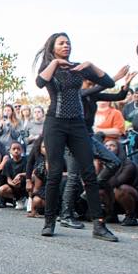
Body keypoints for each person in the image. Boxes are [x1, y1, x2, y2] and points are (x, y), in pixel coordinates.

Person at [34, 33, 118, 242]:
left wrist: (91, 65)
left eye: (68, 43)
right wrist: (54, 62)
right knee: (54, 173)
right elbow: (39, 82)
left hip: (78, 125)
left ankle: (99, 225)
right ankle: (49, 222)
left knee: (88, 172)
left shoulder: (79, 67)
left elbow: (108, 82)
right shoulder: (50, 67)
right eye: (61, 43)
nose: (66, 46)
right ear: (52, 47)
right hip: (55, 123)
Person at [58, 67, 134, 229]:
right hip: (72, 137)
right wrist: (113, 78)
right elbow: (94, 89)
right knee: (73, 176)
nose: (91, 82)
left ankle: (89, 191)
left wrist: (125, 85)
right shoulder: (75, 94)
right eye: (88, 80)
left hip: (88, 136)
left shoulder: (92, 95)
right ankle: (65, 215)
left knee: (114, 162)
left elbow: (119, 96)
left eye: (92, 80)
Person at [0, 141, 29, 209]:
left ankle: (26, 198)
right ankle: (17, 199)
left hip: (25, 185)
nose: (16, 151)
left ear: (22, 150)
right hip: (14, 185)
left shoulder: (27, 160)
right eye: (14, 149)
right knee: (1, 190)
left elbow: (30, 173)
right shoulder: (8, 163)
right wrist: (13, 183)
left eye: (18, 149)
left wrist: (20, 175)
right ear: (10, 151)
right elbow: (8, 178)